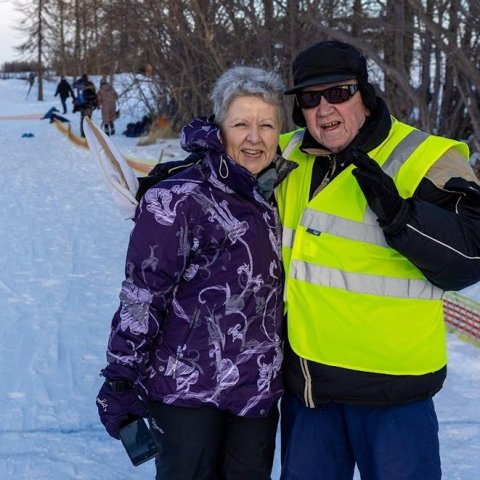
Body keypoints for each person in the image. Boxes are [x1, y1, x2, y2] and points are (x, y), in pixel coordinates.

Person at [276, 40, 480, 480]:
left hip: (394, 397)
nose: (325, 108)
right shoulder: (286, 156)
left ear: (364, 95)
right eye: (310, 99)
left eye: (339, 92)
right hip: (310, 391)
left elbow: (471, 256)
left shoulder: (428, 158)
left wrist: (402, 218)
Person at [96, 65, 296, 479]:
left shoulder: (286, 194)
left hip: (255, 390)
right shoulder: (179, 197)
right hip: (184, 391)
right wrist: (120, 376)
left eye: (267, 125)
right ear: (219, 127)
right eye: (241, 123)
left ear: (281, 133)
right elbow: (142, 295)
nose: (254, 137)